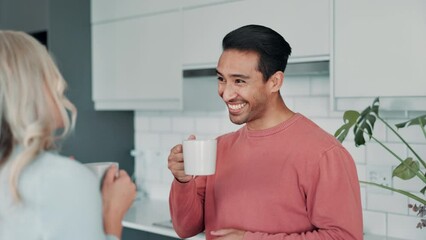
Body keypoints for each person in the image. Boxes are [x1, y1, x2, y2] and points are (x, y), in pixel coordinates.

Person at [168, 25, 363, 240]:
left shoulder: (324, 154)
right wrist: (183, 181)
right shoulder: (220, 148)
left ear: (275, 82)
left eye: (239, 81)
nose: (226, 93)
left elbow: (345, 237)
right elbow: (185, 228)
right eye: (221, 79)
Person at [0, 30, 136, 240]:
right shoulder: (63, 181)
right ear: (30, 88)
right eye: (47, 73)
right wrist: (112, 215)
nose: (59, 82)